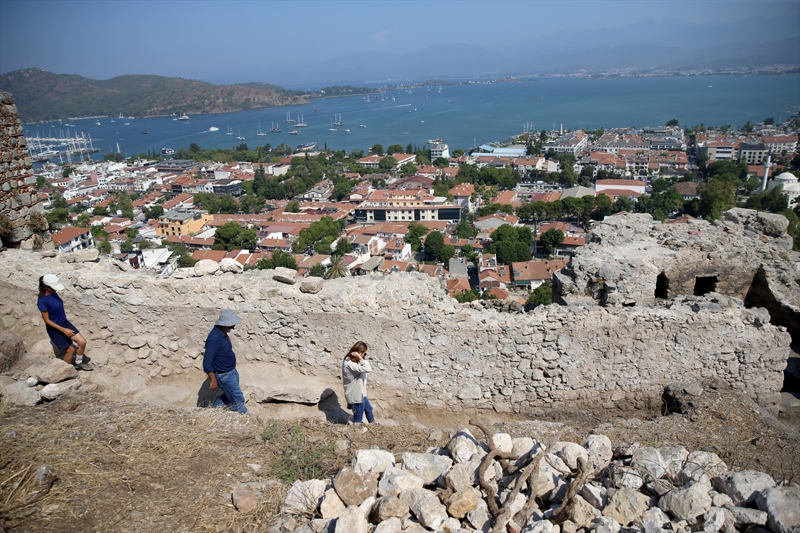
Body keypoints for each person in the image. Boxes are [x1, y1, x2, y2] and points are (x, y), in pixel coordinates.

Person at [37, 274, 93, 371]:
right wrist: (63, 330)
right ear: (46, 287)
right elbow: (46, 320)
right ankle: (65, 371)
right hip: (55, 329)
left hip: (64, 322)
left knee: (82, 342)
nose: (56, 290)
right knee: (70, 350)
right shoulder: (42, 301)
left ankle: (78, 363)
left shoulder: (53, 294)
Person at [203, 310, 247, 414]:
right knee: (238, 400)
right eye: (232, 324)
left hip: (231, 372)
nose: (233, 327)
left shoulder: (222, 334)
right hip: (224, 375)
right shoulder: (214, 338)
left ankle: (213, 414)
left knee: (228, 395)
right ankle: (246, 420)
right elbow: (207, 362)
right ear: (224, 324)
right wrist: (213, 380)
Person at [341, 341, 374, 424]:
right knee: (358, 419)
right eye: (364, 354)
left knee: (368, 408)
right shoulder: (349, 364)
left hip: (361, 392)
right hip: (356, 394)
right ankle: (357, 432)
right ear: (359, 352)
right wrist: (360, 358)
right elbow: (368, 369)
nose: (364, 356)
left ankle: (373, 425)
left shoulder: (353, 362)